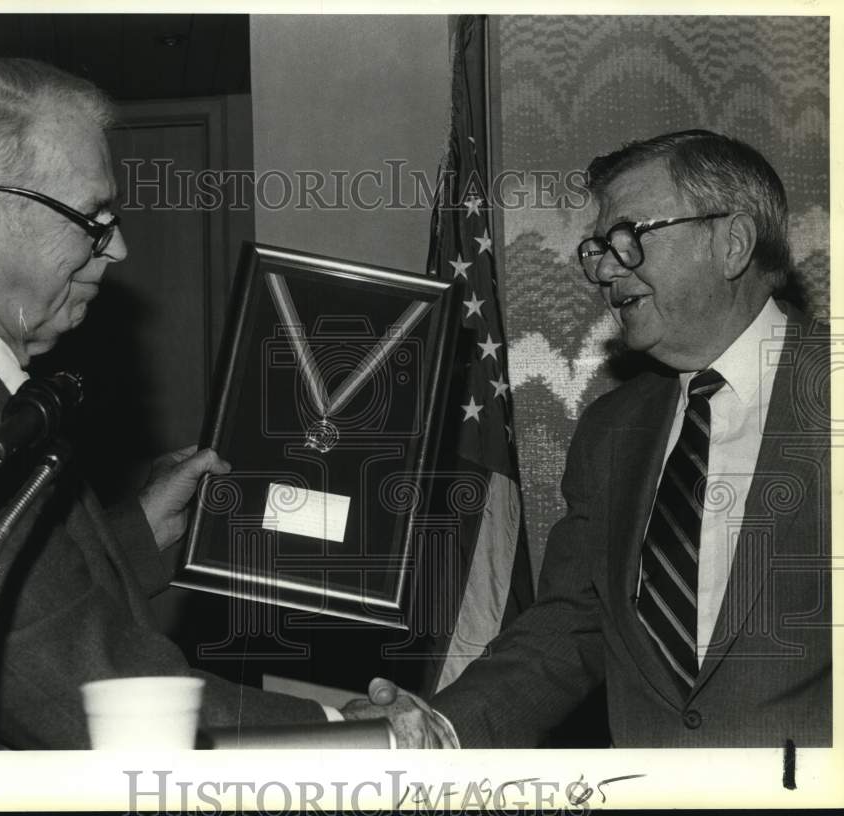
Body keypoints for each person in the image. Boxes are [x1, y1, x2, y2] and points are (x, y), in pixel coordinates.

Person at [0, 58, 330, 749]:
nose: (118, 248)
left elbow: (16, 601)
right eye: (91, 217)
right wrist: (349, 729)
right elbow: (93, 697)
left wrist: (140, 530)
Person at [343, 130, 831, 748]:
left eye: (627, 238)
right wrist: (441, 730)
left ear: (731, 243)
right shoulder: (610, 431)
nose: (602, 269)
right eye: (597, 248)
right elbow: (573, 627)